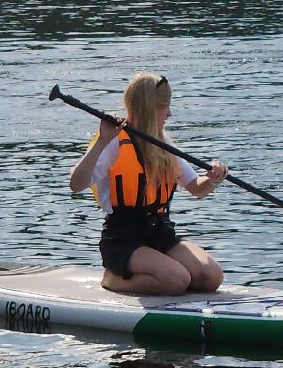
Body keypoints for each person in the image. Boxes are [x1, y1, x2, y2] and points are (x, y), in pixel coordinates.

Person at [67, 72, 230, 295]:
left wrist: (213, 179)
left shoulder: (163, 143)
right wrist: (102, 140)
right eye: (165, 107)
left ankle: (160, 271)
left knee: (211, 277)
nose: (169, 113)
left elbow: (197, 188)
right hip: (123, 239)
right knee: (178, 280)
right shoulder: (114, 142)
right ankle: (114, 279)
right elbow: (76, 184)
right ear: (149, 108)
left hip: (160, 234)